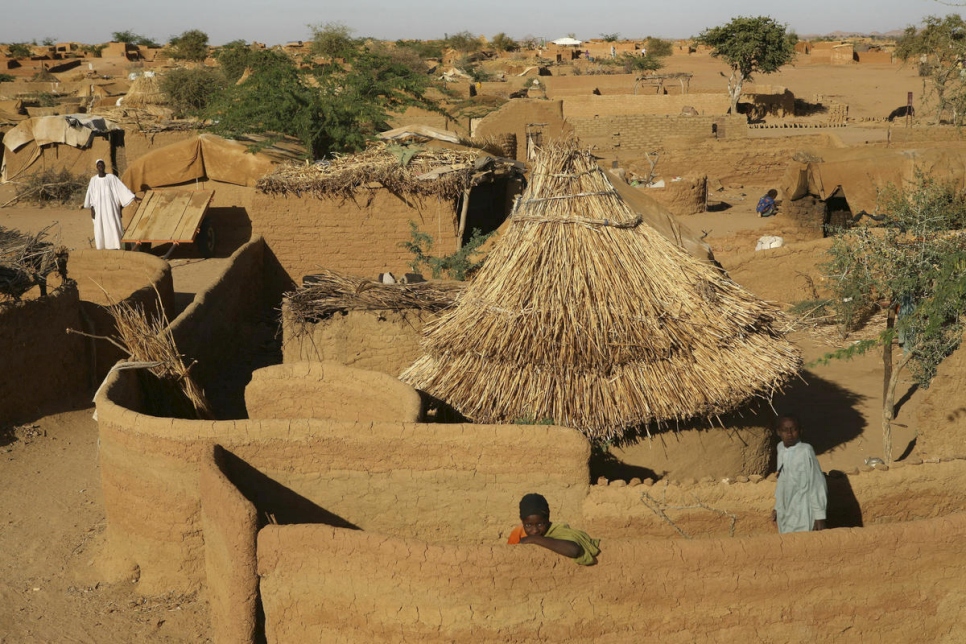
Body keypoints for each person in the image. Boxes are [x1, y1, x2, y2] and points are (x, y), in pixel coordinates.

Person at [507, 493, 600, 565]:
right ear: (522, 521)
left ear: (547, 519)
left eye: (540, 524)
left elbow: (573, 550)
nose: (534, 530)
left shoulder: (558, 531)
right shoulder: (518, 533)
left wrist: (534, 539)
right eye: (528, 525)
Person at [772, 416, 827, 534]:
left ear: (801, 431)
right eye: (785, 430)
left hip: (803, 509)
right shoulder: (780, 448)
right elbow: (781, 481)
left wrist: (819, 515)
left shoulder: (806, 451)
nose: (789, 434)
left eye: (793, 429)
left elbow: (817, 483)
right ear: (778, 432)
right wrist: (777, 507)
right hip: (785, 510)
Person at [83, 159, 139, 250]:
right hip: (99, 209)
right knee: (100, 227)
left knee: (113, 225)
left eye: (102, 165)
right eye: (99, 166)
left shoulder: (112, 178)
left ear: (105, 166)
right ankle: (102, 247)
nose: (101, 167)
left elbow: (121, 189)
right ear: (97, 167)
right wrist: (92, 210)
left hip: (111, 208)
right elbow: (91, 196)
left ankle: (116, 246)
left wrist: (132, 196)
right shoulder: (93, 180)